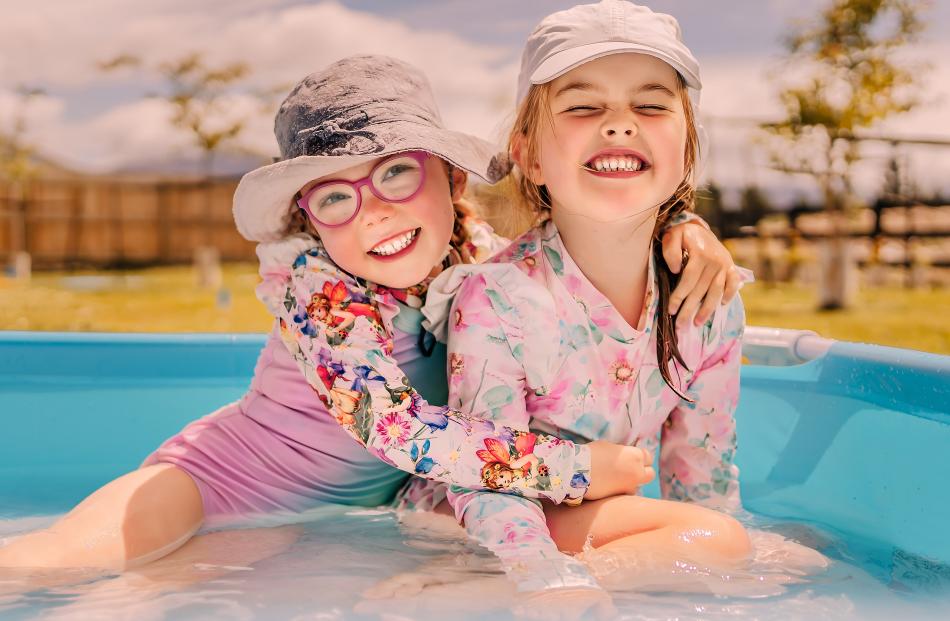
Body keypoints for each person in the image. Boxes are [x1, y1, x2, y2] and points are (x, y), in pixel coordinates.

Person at [0, 54, 741, 574]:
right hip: (215, 484)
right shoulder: (314, 283)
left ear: (450, 179)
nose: (374, 214)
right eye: (334, 197)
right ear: (310, 219)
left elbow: (576, 247)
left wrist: (680, 228)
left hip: (327, 523)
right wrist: (577, 467)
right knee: (46, 570)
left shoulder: (479, 253)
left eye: (395, 174)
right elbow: (395, 427)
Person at [393, 0, 755, 613]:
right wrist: (547, 580)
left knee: (749, 546)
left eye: (651, 104)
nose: (619, 124)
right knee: (716, 543)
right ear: (530, 155)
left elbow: (703, 476)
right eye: (584, 106)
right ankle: (469, 588)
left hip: (590, 519)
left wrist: (732, 573)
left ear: (687, 147)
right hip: (472, 524)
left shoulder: (707, 302)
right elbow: (486, 478)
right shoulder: (499, 299)